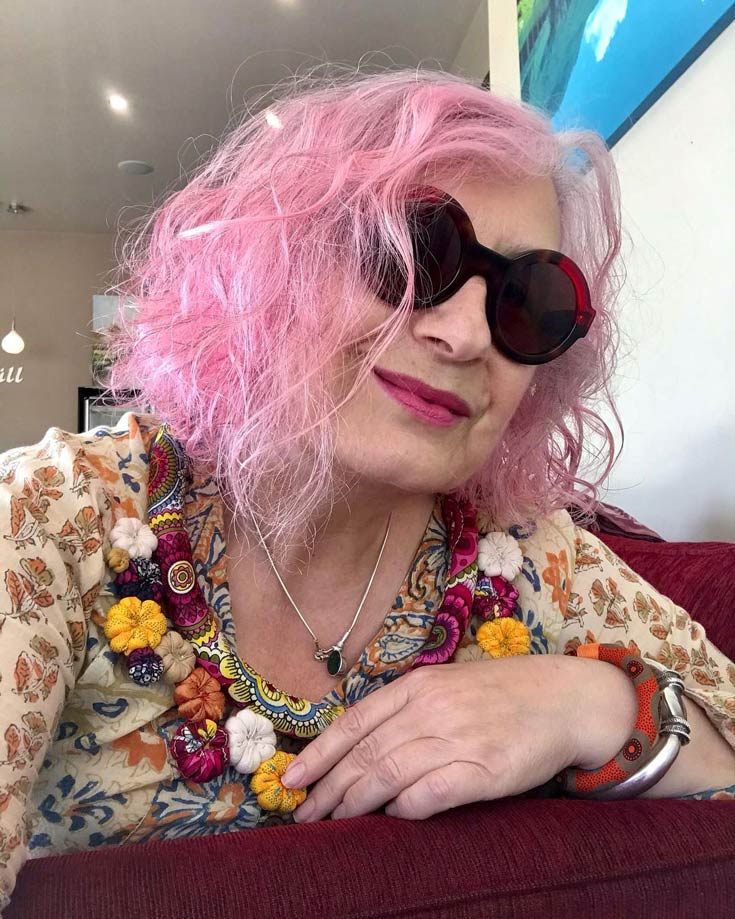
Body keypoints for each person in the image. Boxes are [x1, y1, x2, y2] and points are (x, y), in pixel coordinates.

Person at [1, 66, 733, 911]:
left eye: (527, 302)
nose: (465, 335)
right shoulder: (57, 513)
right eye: (412, 252)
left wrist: (597, 706)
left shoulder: (532, 556)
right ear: (278, 262)